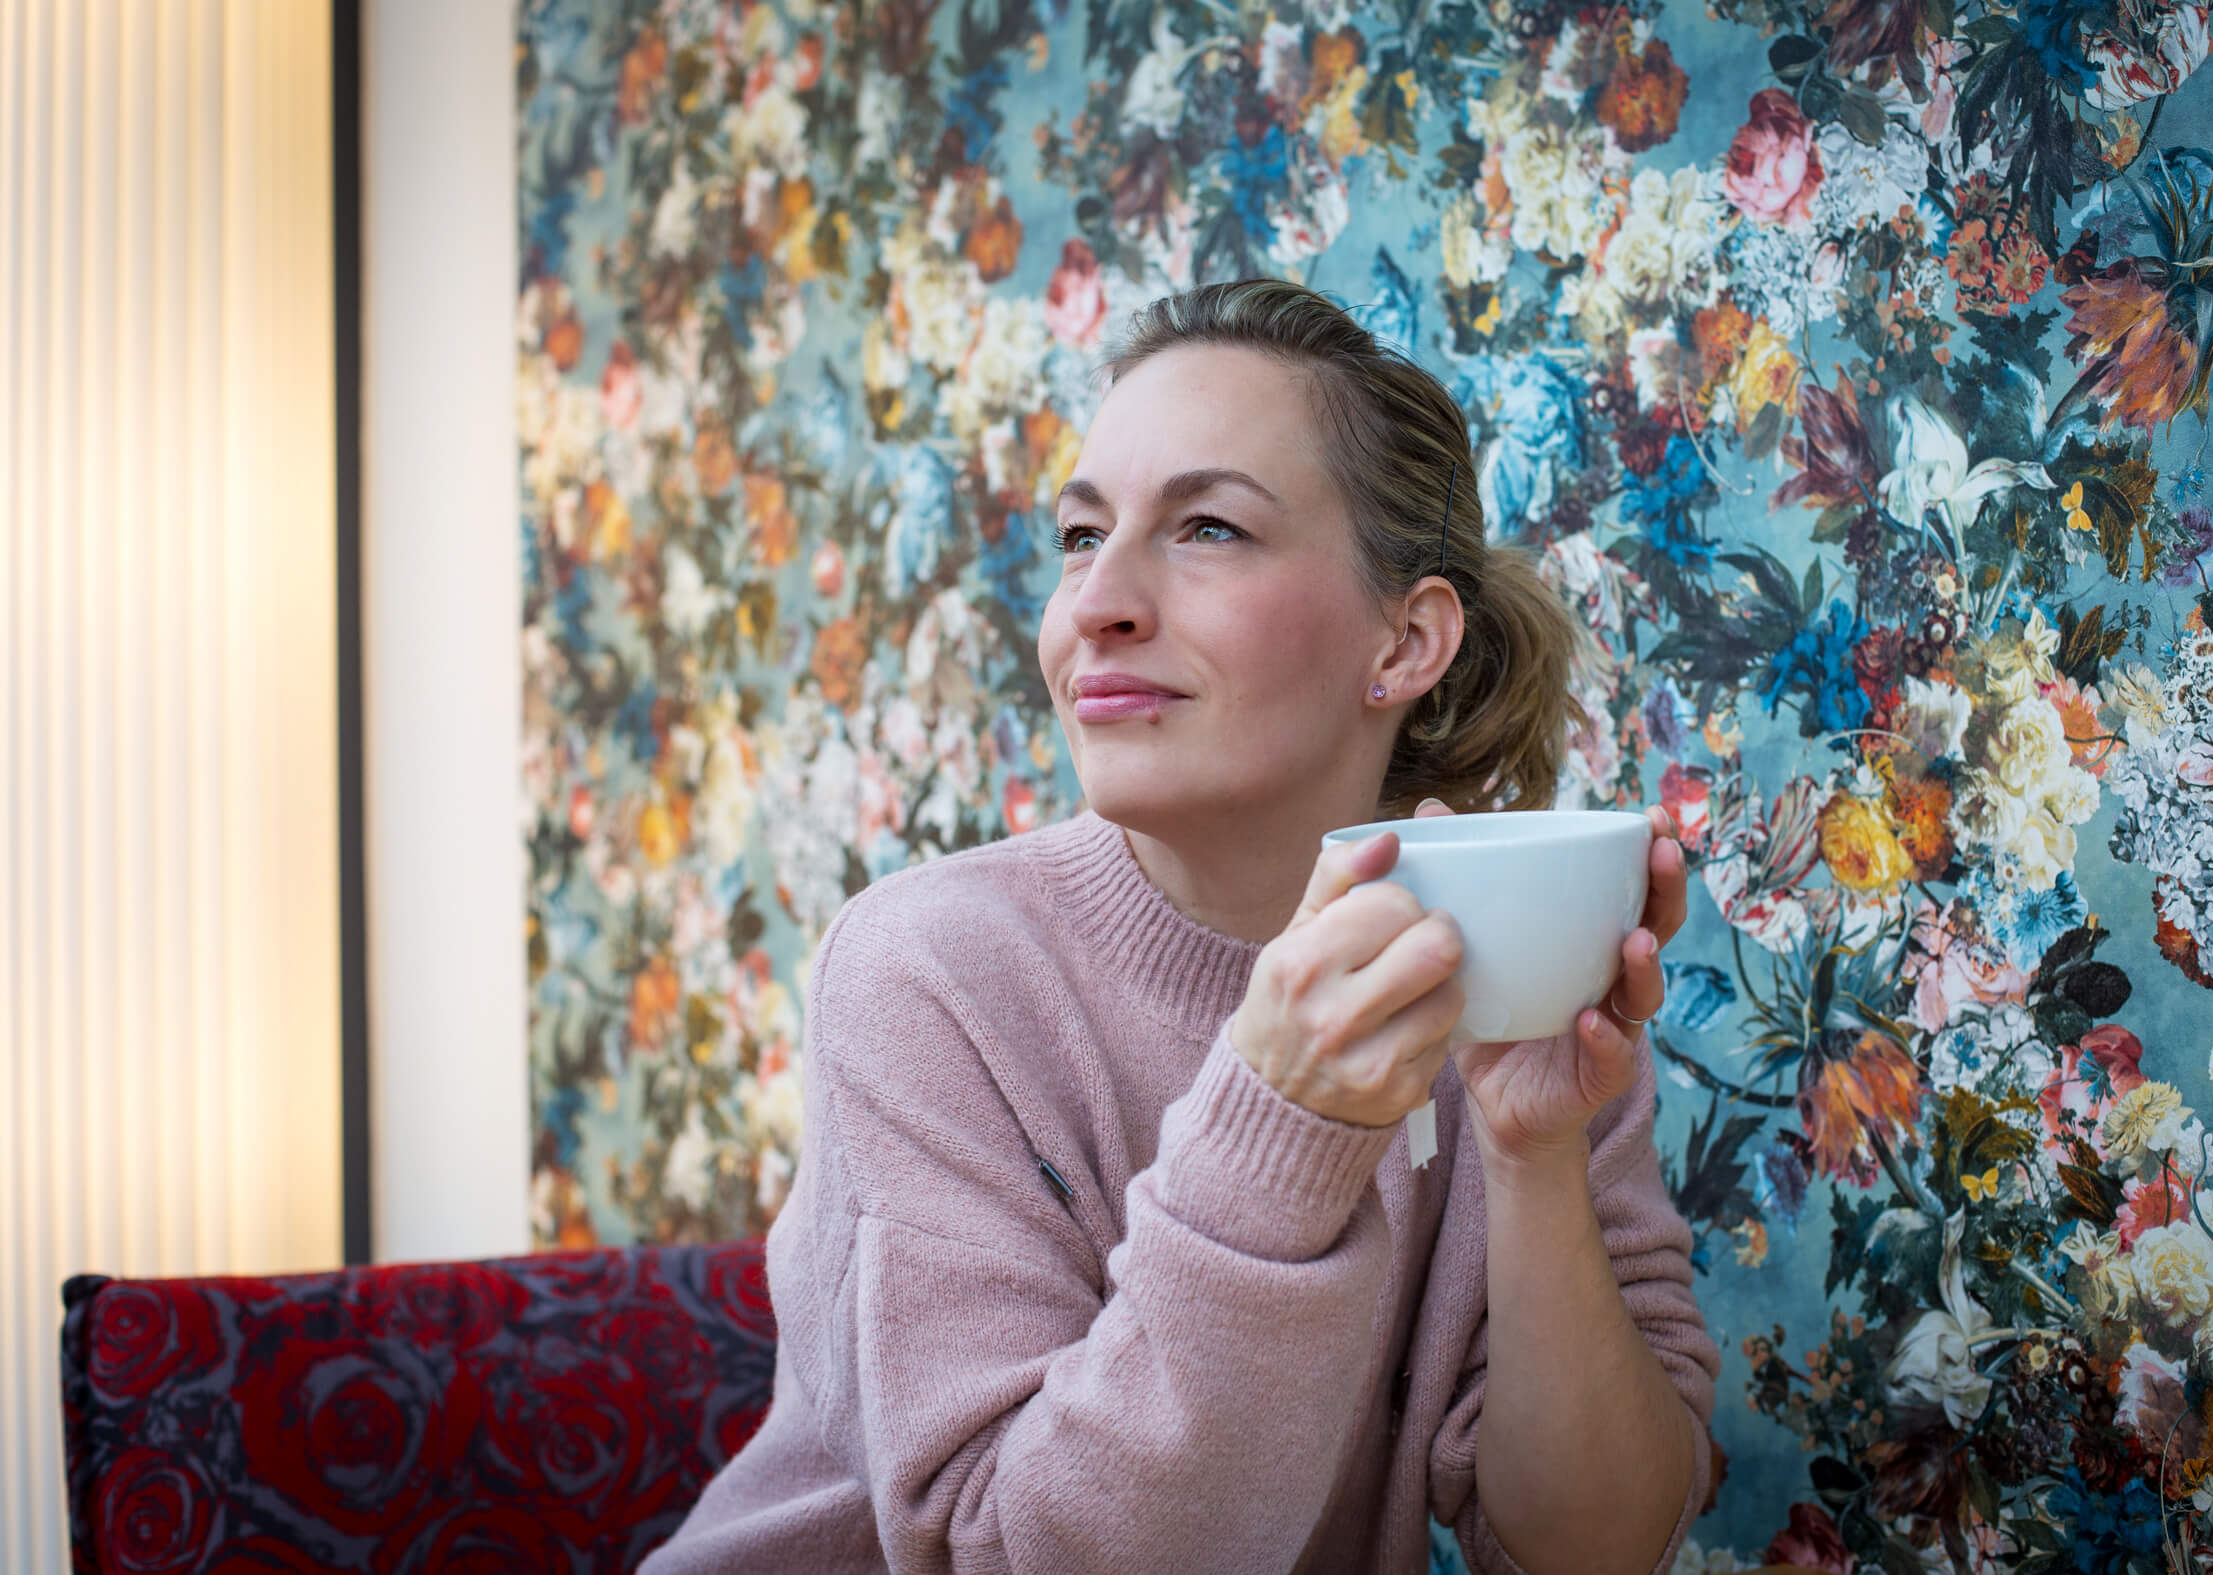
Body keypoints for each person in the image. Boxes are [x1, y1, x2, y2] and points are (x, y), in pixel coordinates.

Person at [643, 280, 1718, 1575]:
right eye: (1080, 534)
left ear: (1407, 638)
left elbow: (1590, 1551)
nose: (1097, 600)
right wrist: (1280, 1121)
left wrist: (1534, 1152)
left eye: (1205, 527)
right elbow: (1010, 1558)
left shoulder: (1500, 967)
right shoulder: (925, 972)